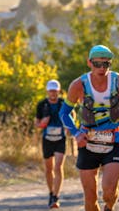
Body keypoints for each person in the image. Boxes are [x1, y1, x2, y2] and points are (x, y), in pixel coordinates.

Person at [59, 45, 119, 211]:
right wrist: (76, 133)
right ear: (89, 63)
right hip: (88, 142)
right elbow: (64, 113)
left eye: (106, 64)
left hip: (113, 140)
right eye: (97, 64)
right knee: (90, 199)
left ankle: (110, 207)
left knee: (109, 194)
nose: (102, 68)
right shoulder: (78, 85)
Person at [36, 79, 67, 209]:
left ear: (58, 91)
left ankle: (56, 196)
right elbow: (37, 124)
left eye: (55, 90)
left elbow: (72, 116)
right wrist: (43, 122)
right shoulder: (41, 105)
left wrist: (68, 125)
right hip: (47, 139)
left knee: (58, 167)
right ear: (47, 91)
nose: (53, 93)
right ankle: (51, 192)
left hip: (60, 139)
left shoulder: (63, 103)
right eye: (51, 91)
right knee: (49, 169)